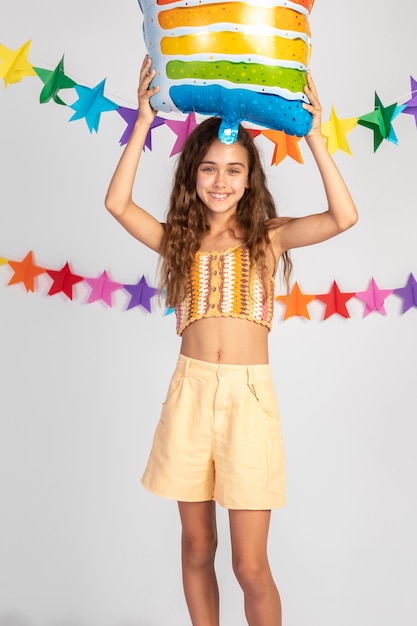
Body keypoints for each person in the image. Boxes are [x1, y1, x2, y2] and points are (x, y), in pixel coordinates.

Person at [105, 55, 357, 626]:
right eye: (210, 169)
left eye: (234, 170)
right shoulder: (180, 242)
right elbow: (117, 204)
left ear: (251, 179)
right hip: (190, 394)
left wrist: (316, 138)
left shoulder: (269, 239)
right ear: (192, 176)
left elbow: (344, 217)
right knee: (196, 548)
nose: (222, 181)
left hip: (249, 401)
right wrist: (143, 120)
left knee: (250, 566)